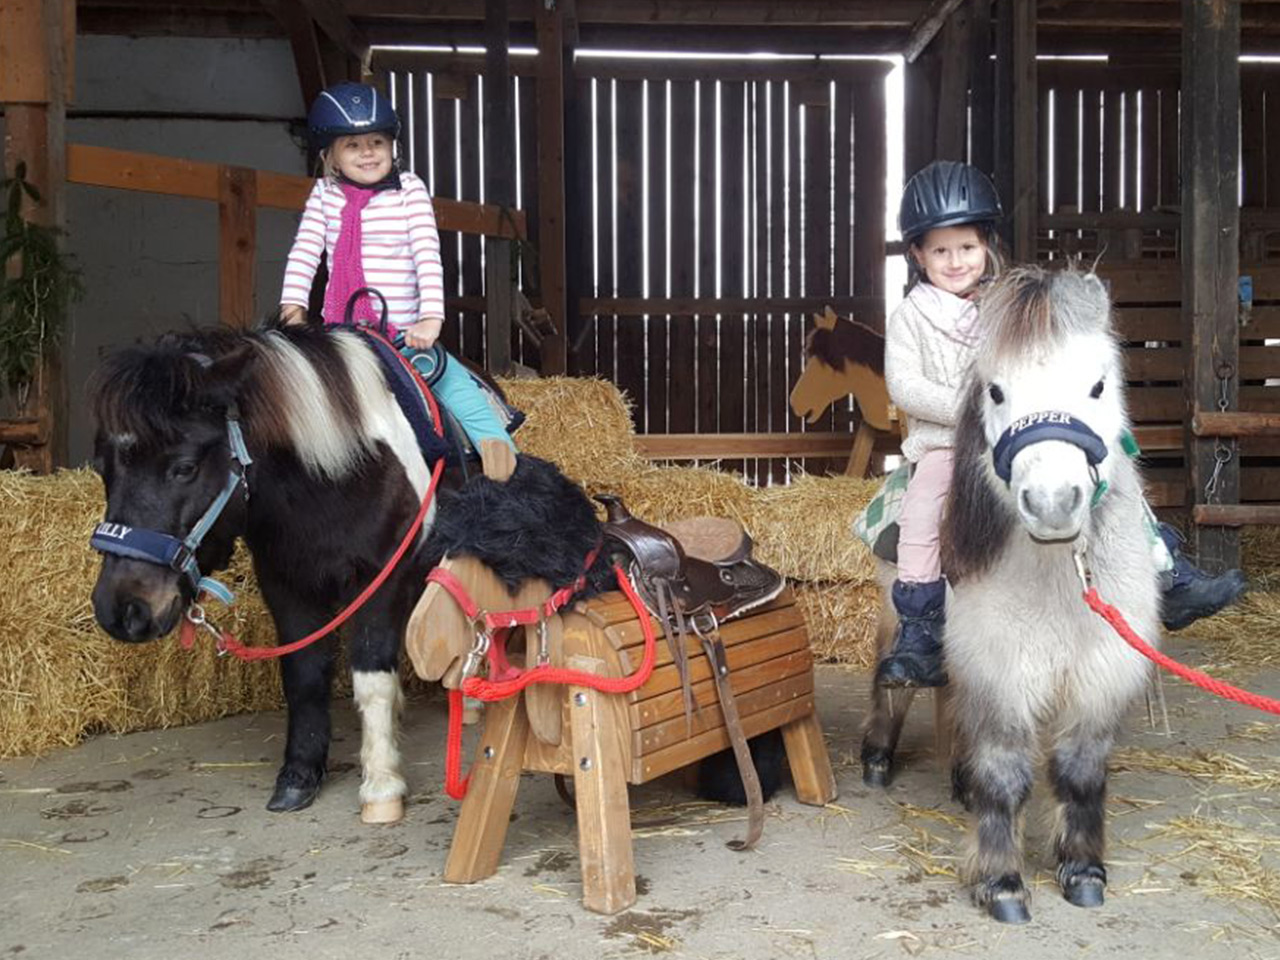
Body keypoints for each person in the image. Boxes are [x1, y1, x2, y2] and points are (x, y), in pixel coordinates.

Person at [874, 160, 1247, 689]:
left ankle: (1167, 570)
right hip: (946, 443)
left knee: (1113, 472)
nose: (955, 261)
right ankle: (920, 625)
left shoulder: (1012, 305)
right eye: (940, 251)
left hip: (1019, 433)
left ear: (987, 245)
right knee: (922, 508)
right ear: (917, 254)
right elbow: (905, 387)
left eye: (966, 247)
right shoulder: (911, 317)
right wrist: (977, 407)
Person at [279, 81, 517, 471]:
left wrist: (430, 319)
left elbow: (427, 255)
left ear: (392, 147)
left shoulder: (409, 191)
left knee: (449, 380)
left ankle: (499, 452)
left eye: (376, 142)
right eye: (352, 145)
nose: (367, 152)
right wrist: (293, 311)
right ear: (331, 156)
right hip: (343, 334)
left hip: (402, 331)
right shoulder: (324, 194)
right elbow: (304, 254)